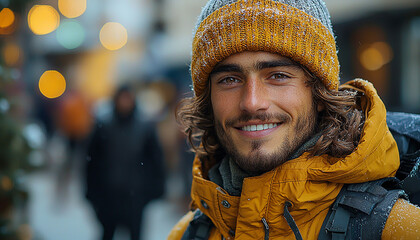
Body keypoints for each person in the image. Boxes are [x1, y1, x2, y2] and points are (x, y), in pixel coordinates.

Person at [168, 0, 420, 239]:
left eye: (277, 75)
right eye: (229, 80)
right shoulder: (185, 234)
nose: (252, 102)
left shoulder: (398, 230)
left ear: (319, 94)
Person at [85, 85, 165, 240]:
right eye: (122, 98)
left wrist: (156, 189)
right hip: (109, 194)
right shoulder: (104, 126)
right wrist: (91, 191)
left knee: (136, 234)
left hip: (135, 194)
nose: (125, 102)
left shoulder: (144, 128)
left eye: (128, 98)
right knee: (107, 232)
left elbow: (156, 161)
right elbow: (92, 162)